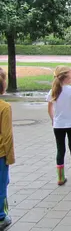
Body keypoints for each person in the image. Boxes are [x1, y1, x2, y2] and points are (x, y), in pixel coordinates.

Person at [46, 66, 71, 185]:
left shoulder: (53, 90)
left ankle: (60, 177)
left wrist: (53, 119)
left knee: (60, 149)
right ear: (67, 77)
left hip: (58, 125)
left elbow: (49, 108)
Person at [0, 68, 14, 229]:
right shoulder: (4, 107)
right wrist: (10, 157)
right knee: (2, 184)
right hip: (1, 154)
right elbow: (7, 136)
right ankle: (2, 216)